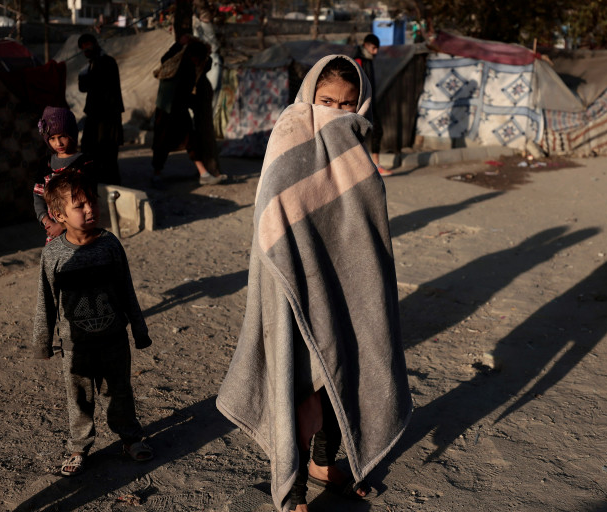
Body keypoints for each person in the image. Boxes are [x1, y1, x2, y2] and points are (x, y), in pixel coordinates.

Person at [216, 55, 412, 512]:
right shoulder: (289, 134)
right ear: (309, 96)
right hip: (293, 286)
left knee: (349, 373)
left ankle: (325, 464)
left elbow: (367, 234)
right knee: (302, 386)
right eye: (327, 101)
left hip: (348, 289)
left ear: (361, 105)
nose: (336, 113)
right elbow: (272, 216)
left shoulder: (356, 147)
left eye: (347, 105)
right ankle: (294, 487)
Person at [32, 170, 154, 477]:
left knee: (120, 393)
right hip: (76, 346)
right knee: (78, 398)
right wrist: (42, 343)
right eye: (80, 206)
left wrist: (139, 330)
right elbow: (45, 300)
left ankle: (130, 438)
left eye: (93, 202)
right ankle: (79, 447)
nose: (90, 209)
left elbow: (126, 289)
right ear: (58, 215)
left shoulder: (109, 244)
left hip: (114, 340)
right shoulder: (53, 254)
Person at [151, 34, 225, 187]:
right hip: (166, 110)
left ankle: (203, 174)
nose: (198, 61)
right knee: (161, 143)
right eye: (197, 58)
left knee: (191, 140)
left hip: (180, 109)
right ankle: (156, 174)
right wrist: (179, 44)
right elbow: (165, 59)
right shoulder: (175, 63)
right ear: (191, 55)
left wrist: (207, 51)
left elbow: (206, 65)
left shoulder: (193, 67)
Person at [34, 106, 95, 243]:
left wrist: (61, 226)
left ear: (72, 134)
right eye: (52, 138)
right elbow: (38, 197)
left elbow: (90, 201)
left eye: (62, 136)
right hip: (54, 234)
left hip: (80, 232)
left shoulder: (85, 163)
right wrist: (47, 221)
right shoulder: (45, 164)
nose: (58, 143)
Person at [77, 34, 124, 185]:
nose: (86, 50)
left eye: (88, 46)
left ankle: (110, 185)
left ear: (95, 44)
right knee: (90, 150)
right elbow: (83, 87)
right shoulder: (91, 65)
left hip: (108, 116)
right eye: (83, 48)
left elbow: (98, 83)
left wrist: (87, 73)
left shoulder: (107, 62)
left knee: (107, 152)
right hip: (95, 116)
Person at [354, 33, 391, 176]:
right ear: (366, 45)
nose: (375, 52)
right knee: (362, 134)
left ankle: (375, 165)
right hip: (361, 105)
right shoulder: (358, 60)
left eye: (377, 49)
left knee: (376, 132)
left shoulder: (368, 60)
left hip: (370, 103)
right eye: (374, 48)